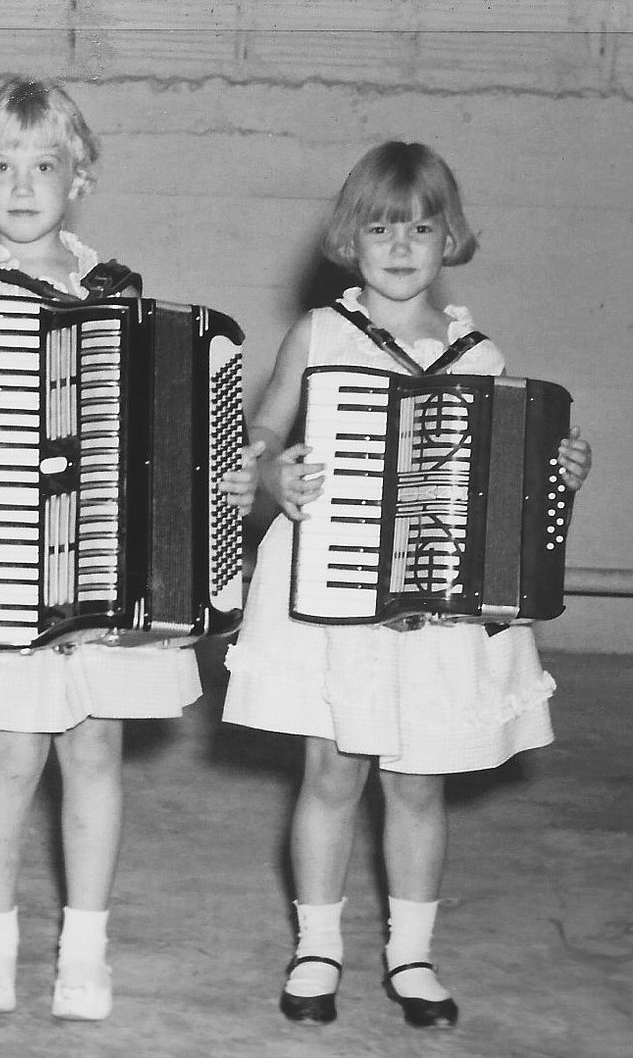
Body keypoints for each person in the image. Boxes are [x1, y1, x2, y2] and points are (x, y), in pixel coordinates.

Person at [0, 77, 261, 1021]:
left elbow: (171, 440)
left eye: (44, 165)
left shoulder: (119, 296)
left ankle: (86, 946)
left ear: (78, 178)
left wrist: (222, 479)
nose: (22, 183)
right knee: (10, 756)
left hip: (107, 565)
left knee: (96, 752)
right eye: (2, 165)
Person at [221, 140, 592, 1030]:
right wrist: (273, 478)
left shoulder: (477, 350)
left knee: (420, 779)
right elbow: (263, 432)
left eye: (422, 228)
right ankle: (318, 945)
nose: (400, 246)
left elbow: (507, 480)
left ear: (449, 239)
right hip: (333, 591)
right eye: (382, 227)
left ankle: (412, 954)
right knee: (331, 767)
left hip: (440, 603)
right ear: (352, 238)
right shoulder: (321, 333)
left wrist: (559, 469)